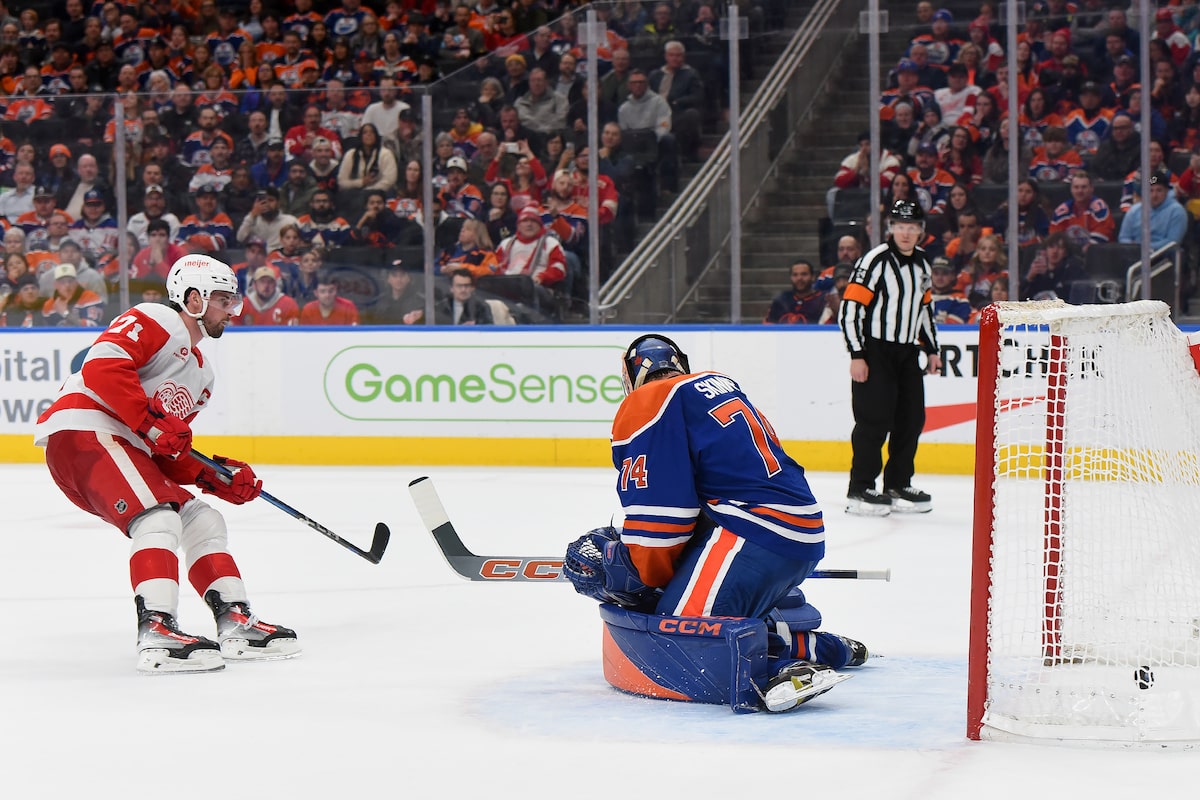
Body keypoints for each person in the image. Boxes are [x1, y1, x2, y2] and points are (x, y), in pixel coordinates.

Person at [561, 334, 868, 714]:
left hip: (750, 533)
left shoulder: (648, 401)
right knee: (721, 616)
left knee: (679, 631)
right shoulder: (714, 386)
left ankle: (779, 672)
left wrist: (636, 576)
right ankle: (828, 648)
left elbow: (663, 519)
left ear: (630, 374)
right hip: (797, 533)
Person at [33, 254, 299, 673]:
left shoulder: (202, 375)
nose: (232, 310)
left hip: (124, 448)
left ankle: (236, 621)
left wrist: (214, 476)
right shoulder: (156, 317)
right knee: (158, 519)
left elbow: (166, 450)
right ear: (193, 298)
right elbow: (102, 368)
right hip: (86, 432)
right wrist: (151, 424)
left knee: (202, 521)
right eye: (222, 300)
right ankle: (156, 629)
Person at [838, 199, 942, 516]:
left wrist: (933, 349)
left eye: (912, 227)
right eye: (900, 226)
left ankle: (897, 483)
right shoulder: (875, 261)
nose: (906, 233)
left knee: (911, 420)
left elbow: (924, 309)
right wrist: (858, 353)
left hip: (907, 352)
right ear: (891, 229)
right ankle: (861, 488)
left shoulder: (923, 263)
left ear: (920, 231)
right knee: (873, 420)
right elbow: (850, 309)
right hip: (876, 350)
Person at [1118, 171, 1188, 252]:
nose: (1154, 195)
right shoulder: (1134, 211)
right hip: (1134, 256)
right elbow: (1123, 237)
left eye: (1159, 190)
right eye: (1151, 190)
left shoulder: (1177, 211)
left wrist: (1145, 248)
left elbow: (1172, 242)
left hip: (1164, 258)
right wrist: (1135, 249)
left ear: (1166, 191)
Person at [764, 259, 837, 324]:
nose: (799, 278)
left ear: (813, 277)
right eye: (795, 275)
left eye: (804, 274)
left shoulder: (824, 300)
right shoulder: (781, 300)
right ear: (790, 277)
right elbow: (768, 326)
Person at [233, 264, 300, 326]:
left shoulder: (288, 304)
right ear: (254, 285)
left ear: (275, 284)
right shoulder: (242, 305)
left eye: (270, 282)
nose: (266, 285)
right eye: (262, 281)